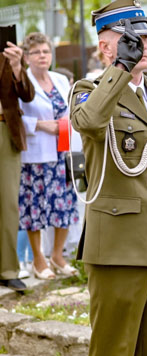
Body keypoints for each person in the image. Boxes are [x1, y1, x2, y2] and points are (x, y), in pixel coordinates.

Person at [69, 0, 147, 356]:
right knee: (114, 348)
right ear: (104, 46)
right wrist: (119, 69)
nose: (140, 45)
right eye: (129, 38)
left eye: (144, 37)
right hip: (118, 244)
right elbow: (90, 123)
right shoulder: (87, 91)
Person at [18, 34, 78, 279]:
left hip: (63, 150)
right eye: (37, 52)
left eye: (46, 51)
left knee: (64, 204)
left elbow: (73, 107)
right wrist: (41, 125)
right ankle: (38, 260)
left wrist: (66, 122)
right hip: (36, 154)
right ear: (26, 57)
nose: (43, 56)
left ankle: (57, 255)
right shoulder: (22, 81)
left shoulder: (61, 79)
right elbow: (14, 116)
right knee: (35, 208)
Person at [0, 37, 32, 291]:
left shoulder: (7, 54)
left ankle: (8, 269)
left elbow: (27, 95)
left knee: (8, 203)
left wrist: (18, 66)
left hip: (4, 131)